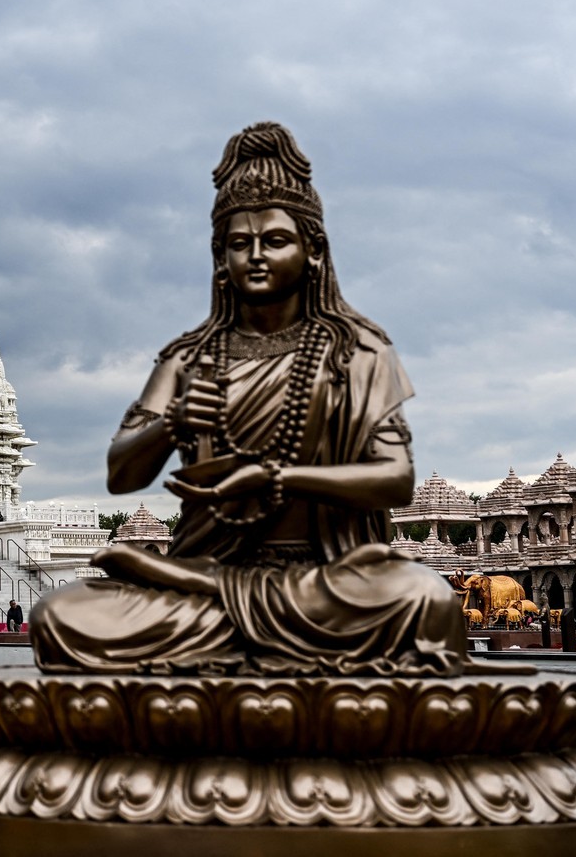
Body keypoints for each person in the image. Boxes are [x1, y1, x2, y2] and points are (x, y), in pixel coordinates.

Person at [31, 123, 464, 676]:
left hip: (328, 579)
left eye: (276, 240)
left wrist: (278, 479)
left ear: (312, 251)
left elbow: (396, 479)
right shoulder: (188, 358)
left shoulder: (357, 351)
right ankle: (212, 599)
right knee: (61, 616)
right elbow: (121, 476)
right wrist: (172, 424)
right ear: (221, 257)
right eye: (240, 243)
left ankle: (210, 617)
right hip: (207, 576)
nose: (255, 256)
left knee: (425, 599)